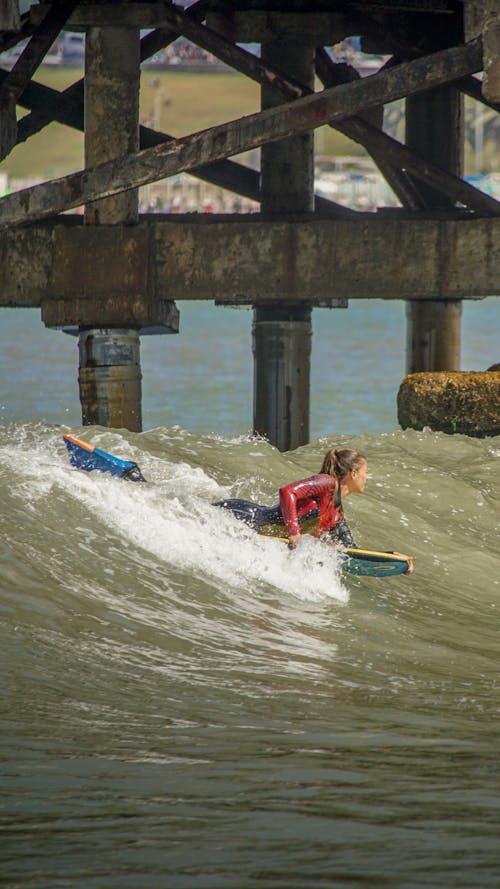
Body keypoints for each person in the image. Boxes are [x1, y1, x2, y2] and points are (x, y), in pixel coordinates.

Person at [215, 447, 414, 574]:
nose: (367, 478)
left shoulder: (336, 515)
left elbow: (351, 551)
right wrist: (294, 532)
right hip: (241, 516)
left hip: (253, 530)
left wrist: (392, 558)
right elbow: (287, 493)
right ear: (353, 474)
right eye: (365, 473)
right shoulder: (326, 483)